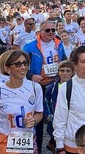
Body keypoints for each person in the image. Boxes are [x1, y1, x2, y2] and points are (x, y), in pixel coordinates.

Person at [0, 50, 43, 154]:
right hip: (4, 142)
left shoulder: (35, 88)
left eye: (25, 63)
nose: (23, 67)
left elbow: (39, 113)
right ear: (7, 68)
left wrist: (33, 120)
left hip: (28, 142)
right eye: (18, 64)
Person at [23, 20, 64, 153]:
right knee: (39, 117)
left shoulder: (59, 44)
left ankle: (54, 143)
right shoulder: (30, 47)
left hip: (56, 84)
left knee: (57, 115)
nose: (51, 32)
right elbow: (21, 65)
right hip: (38, 86)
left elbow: (65, 61)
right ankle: (38, 148)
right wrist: (31, 76)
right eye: (48, 30)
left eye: (53, 30)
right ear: (40, 31)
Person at [45, 60, 74, 153]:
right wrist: (48, 115)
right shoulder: (51, 88)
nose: (65, 73)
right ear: (58, 72)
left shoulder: (76, 87)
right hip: (55, 118)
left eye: (68, 71)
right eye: (62, 70)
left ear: (72, 72)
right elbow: (45, 103)